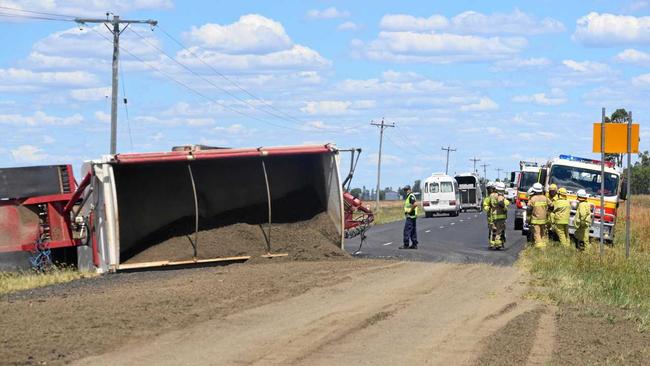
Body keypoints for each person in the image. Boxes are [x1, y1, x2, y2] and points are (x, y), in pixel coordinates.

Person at [527, 182, 553, 248]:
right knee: (543, 233)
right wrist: (548, 212)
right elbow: (552, 206)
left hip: (535, 220)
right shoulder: (545, 198)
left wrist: (529, 217)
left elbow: (529, 209)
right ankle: (544, 246)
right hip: (544, 220)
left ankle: (539, 247)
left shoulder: (532, 199)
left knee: (537, 234)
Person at [488, 182, 510, 249]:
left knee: (494, 230)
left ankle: (493, 243)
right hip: (500, 216)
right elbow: (501, 203)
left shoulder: (492, 196)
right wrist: (505, 207)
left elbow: (489, 203)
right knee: (499, 231)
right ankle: (498, 244)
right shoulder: (500, 196)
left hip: (494, 216)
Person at [400, 185, 419, 249]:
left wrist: (410, 211)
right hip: (412, 216)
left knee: (406, 231)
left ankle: (406, 244)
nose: (405, 191)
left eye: (406, 190)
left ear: (410, 190)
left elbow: (415, 204)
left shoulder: (411, 196)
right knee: (413, 231)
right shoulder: (409, 196)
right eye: (405, 190)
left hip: (410, 216)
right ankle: (414, 244)